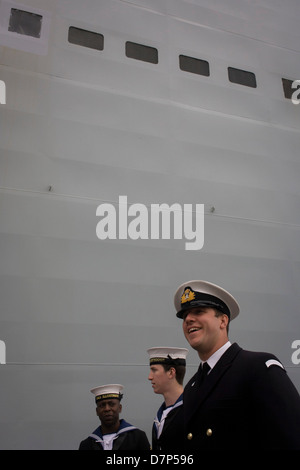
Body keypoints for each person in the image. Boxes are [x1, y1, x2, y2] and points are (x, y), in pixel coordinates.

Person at [174, 280, 300, 450]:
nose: (188, 319)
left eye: (199, 311)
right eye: (185, 315)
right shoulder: (191, 387)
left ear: (223, 321)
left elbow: (291, 439)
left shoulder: (258, 368)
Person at [79, 384, 150, 450]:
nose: (107, 409)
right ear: (97, 411)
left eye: (111, 404)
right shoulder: (86, 445)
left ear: (120, 408)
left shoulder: (137, 438)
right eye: (102, 405)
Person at [147, 347, 188, 451]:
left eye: (154, 370)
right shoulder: (161, 416)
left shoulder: (190, 411)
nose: (150, 377)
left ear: (171, 372)